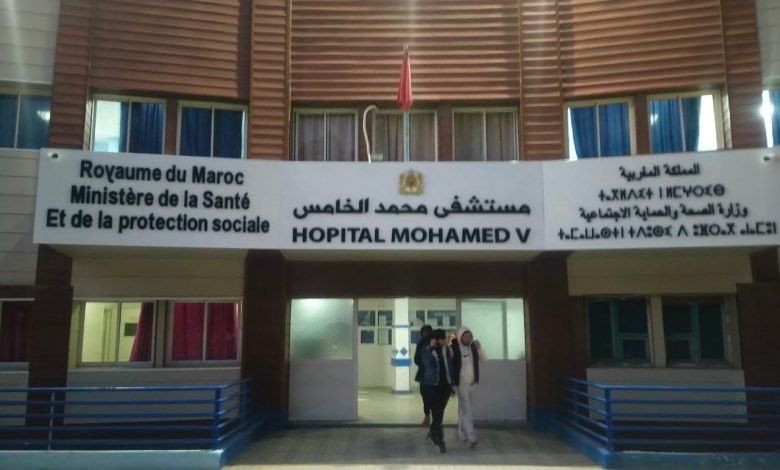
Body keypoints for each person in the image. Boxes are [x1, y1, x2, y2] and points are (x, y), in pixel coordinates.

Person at [419, 328, 455, 453]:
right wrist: (431, 347)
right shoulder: (426, 350)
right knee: (437, 413)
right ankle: (440, 440)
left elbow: (451, 365)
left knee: (439, 414)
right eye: (441, 339)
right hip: (432, 386)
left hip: (446, 386)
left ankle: (433, 432)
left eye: (444, 339)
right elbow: (425, 362)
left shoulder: (448, 350)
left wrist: (452, 383)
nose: (444, 341)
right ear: (435, 340)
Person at [452, 326, 484, 449]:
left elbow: (484, 359)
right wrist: (453, 384)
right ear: (460, 337)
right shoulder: (455, 349)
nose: (468, 338)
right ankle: (471, 437)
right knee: (467, 410)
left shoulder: (473, 348)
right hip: (462, 384)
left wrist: (479, 348)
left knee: (463, 409)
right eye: (465, 336)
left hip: (472, 384)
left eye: (469, 336)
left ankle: (461, 431)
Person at [413, 324, 434, 426]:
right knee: (425, 396)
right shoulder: (420, 343)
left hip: (435, 375)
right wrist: (423, 364)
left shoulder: (435, 343)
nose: (425, 334)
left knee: (434, 397)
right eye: (424, 332)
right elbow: (416, 359)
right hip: (424, 375)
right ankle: (427, 416)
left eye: (427, 332)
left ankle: (435, 417)